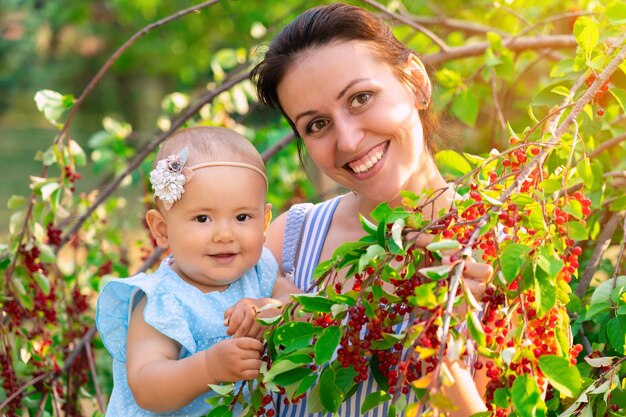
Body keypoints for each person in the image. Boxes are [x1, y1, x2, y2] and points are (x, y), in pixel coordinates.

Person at [251, 3, 492, 416]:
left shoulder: (498, 252)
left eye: (361, 98)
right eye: (316, 124)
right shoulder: (286, 243)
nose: (347, 140)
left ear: (416, 82)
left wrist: (440, 346)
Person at [96, 126, 300, 416]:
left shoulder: (259, 270)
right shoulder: (162, 300)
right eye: (203, 218)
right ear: (161, 230)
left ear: (265, 222)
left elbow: (302, 304)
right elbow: (147, 386)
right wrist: (208, 366)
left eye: (242, 217)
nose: (224, 234)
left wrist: (271, 307)